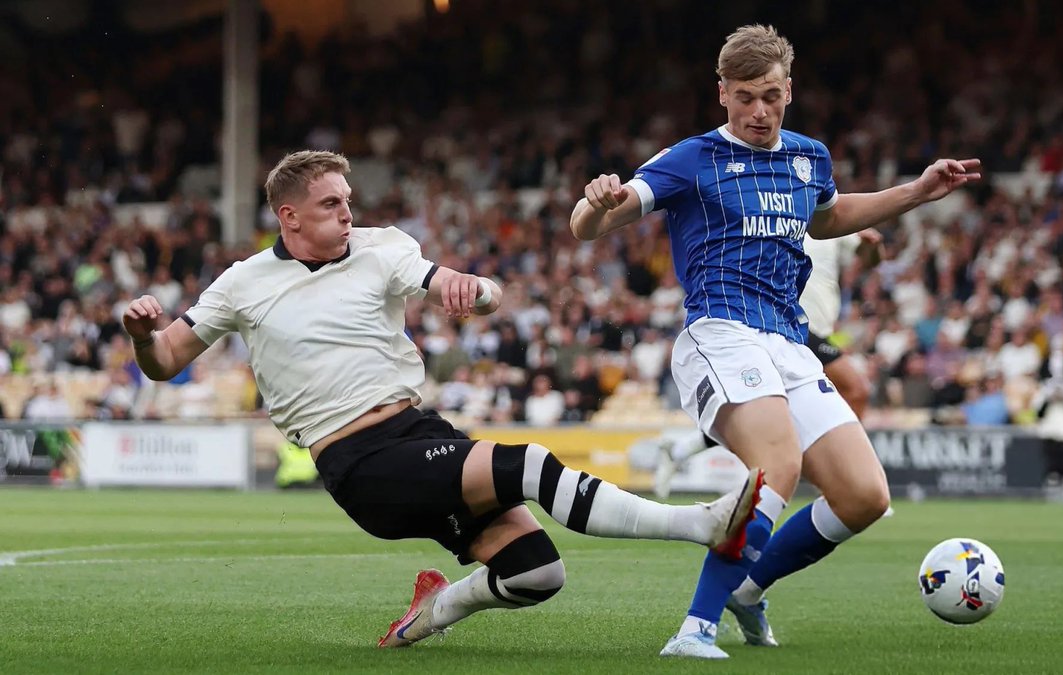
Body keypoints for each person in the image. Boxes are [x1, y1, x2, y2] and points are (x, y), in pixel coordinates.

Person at [123, 150, 762, 650]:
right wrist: (142, 338)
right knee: (528, 465)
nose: (348, 214)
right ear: (288, 217)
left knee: (536, 574)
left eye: (348, 201)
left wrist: (472, 288)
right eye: (329, 205)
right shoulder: (243, 283)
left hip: (418, 431)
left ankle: (433, 611)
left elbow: (461, 286)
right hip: (358, 462)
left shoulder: (382, 248)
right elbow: (167, 360)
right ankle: (699, 525)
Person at [570, 25, 980, 659]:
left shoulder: (809, 157)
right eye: (743, 98)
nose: (758, 111)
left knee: (863, 496)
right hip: (721, 333)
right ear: (722, 95)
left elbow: (830, 216)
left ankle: (748, 591)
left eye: (769, 96)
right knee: (779, 464)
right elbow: (588, 226)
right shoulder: (691, 158)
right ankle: (694, 629)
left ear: (788, 90)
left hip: (789, 343)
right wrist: (595, 204)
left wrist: (918, 192)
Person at [652, 228, 883, 499]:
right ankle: (840, 470)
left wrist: (873, 246)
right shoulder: (774, 213)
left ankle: (679, 451)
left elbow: (869, 259)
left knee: (772, 408)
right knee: (857, 388)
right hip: (788, 324)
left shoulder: (827, 215)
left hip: (814, 330)